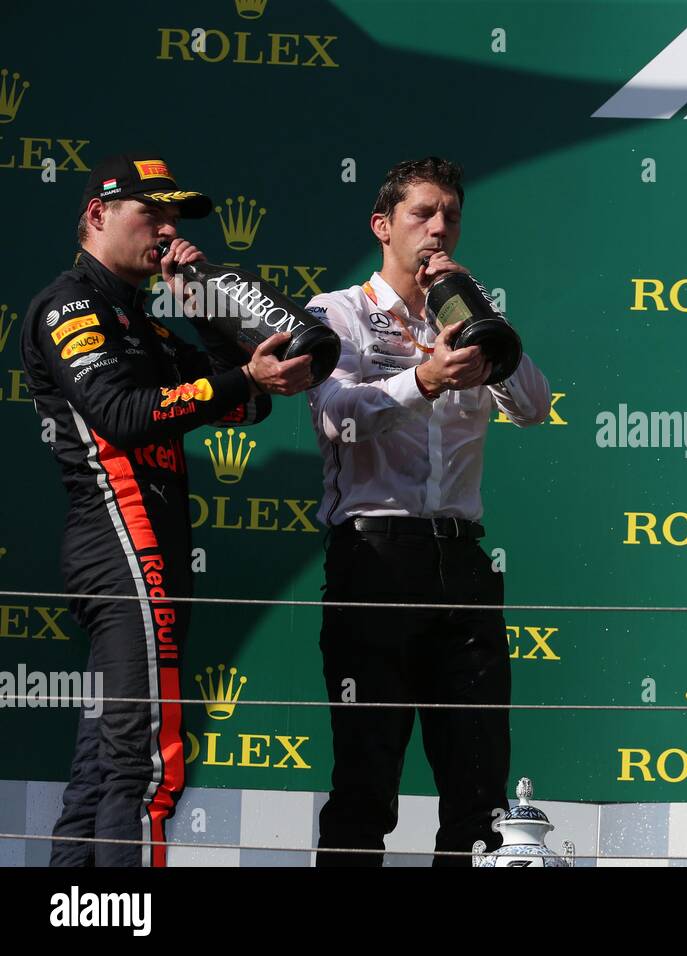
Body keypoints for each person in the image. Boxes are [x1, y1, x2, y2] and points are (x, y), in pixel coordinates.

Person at [21, 153, 312, 867]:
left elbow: (246, 402)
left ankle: (78, 917)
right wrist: (240, 372)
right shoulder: (72, 304)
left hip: (147, 546)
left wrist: (208, 311)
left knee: (99, 777)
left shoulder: (139, 321)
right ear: (96, 215)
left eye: (173, 217)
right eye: (150, 213)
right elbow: (121, 413)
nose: (166, 230)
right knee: (146, 766)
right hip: (120, 540)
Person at [307, 156, 551, 866]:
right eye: (423, 214)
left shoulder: (468, 311)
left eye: (451, 214)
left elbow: (533, 408)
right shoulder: (338, 313)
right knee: (365, 783)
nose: (440, 229)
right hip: (374, 560)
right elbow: (338, 419)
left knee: (478, 790)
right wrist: (423, 378)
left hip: (463, 564)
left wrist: (476, 313)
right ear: (384, 226)